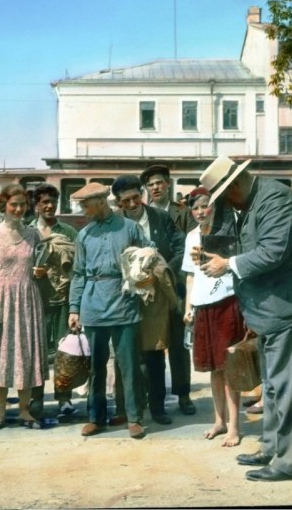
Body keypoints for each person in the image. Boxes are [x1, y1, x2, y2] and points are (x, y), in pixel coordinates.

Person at [198, 156, 292, 481]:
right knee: (272, 384)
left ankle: (289, 462)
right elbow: (250, 245)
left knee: (290, 386)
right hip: (277, 307)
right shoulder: (252, 202)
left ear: (233, 186)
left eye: (223, 196)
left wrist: (227, 265)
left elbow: (273, 252)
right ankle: (272, 447)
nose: (225, 203)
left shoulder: (275, 199)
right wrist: (216, 255)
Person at [67, 182, 151, 440]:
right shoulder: (84, 235)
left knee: (129, 365)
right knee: (96, 366)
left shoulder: (130, 228)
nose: (83, 210)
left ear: (101, 202)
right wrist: (74, 308)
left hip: (124, 303)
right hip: (93, 305)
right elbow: (79, 273)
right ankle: (96, 418)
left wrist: (143, 275)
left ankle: (134, 418)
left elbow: (149, 255)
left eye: (85, 205)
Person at [110, 175, 185, 425]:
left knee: (154, 355)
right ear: (119, 203)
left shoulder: (160, 218)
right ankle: (128, 408)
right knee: (127, 353)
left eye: (135, 198)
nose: (132, 204)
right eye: (125, 201)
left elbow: (180, 248)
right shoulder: (115, 224)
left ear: (142, 194)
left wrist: (162, 273)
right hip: (126, 297)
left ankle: (158, 407)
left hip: (155, 298)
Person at [0, 184, 49, 430]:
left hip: (27, 298)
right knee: (1, 354)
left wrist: (41, 272)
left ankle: (24, 411)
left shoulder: (33, 234)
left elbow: (38, 265)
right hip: (2, 298)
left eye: (22, 205)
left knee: (26, 353)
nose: (18, 209)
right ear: (4, 205)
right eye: (14, 205)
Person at [181, 186, 245, 447]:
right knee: (213, 368)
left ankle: (234, 427)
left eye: (204, 206)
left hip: (226, 302)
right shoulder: (191, 237)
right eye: (195, 208)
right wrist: (189, 307)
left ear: (214, 206)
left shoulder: (228, 230)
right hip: (202, 304)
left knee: (229, 367)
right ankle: (219, 420)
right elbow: (190, 275)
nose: (200, 212)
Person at [139, 164, 196, 415]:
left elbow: (188, 247)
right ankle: (155, 396)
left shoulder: (182, 213)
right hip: (150, 288)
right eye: (150, 185)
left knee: (177, 343)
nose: (155, 188)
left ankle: (183, 394)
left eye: (159, 183)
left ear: (168, 184)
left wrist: (167, 272)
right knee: (153, 343)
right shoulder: (144, 214)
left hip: (176, 283)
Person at [28, 183, 79, 418]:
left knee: (65, 352)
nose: (49, 206)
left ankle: (64, 399)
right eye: (44, 202)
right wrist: (33, 271)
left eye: (53, 202)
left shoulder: (68, 231)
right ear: (36, 205)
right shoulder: (28, 231)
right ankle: (36, 399)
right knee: (36, 352)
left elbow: (80, 264)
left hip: (63, 300)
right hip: (36, 300)